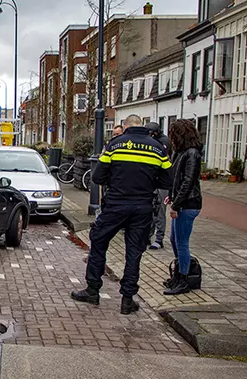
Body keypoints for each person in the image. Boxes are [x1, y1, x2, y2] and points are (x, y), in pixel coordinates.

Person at [71, 114, 172, 314]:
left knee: (99, 242)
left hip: (115, 205)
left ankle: (93, 290)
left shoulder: (115, 145)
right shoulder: (158, 148)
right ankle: (127, 299)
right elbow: (168, 181)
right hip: (142, 207)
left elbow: (98, 177)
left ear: (125, 128)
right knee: (134, 253)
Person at [163, 119, 203, 295]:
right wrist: (170, 197)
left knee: (181, 242)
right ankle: (179, 273)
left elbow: (188, 182)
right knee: (174, 240)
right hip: (180, 203)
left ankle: (184, 278)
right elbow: (176, 179)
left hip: (188, 204)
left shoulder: (192, 154)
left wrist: (176, 204)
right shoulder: (180, 152)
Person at [145, 122, 173, 250]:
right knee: (150, 210)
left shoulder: (164, 142)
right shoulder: (151, 141)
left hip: (162, 182)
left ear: (155, 133)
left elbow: (162, 161)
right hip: (152, 181)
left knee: (160, 210)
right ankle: (147, 236)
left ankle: (159, 238)